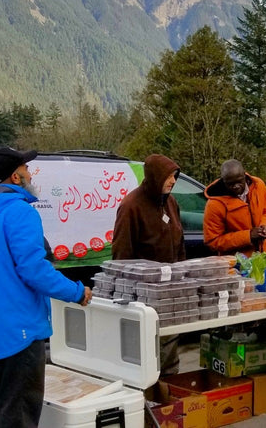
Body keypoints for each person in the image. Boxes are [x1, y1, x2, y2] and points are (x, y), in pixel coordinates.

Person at [0, 147, 92, 428]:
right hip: (17, 329)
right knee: (17, 412)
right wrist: (77, 292)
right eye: (27, 169)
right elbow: (34, 270)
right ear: (16, 177)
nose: (31, 174)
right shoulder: (19, 212)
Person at [112, 153, 185, 374]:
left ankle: (169, 390)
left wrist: (183, 275)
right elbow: (121, 254)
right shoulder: (131, 206)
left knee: (170, 343)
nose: (173, 181)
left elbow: (179, 241)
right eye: (168, 177)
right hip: (143, 293)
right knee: (148, 350)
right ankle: (149, 393)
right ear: (155, 177)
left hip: (170, 288)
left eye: (175, 176)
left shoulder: (171, 202)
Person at [202, 159, 266, 255]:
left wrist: (265, 226)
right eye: (230, 184)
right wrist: (248, 236)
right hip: (237, 264)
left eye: (239, 181)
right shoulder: (214, 204)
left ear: (244, 175)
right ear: (223, 181)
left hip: (264, 256)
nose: (236, 186)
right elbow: (213, 241)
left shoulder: (258, 185)